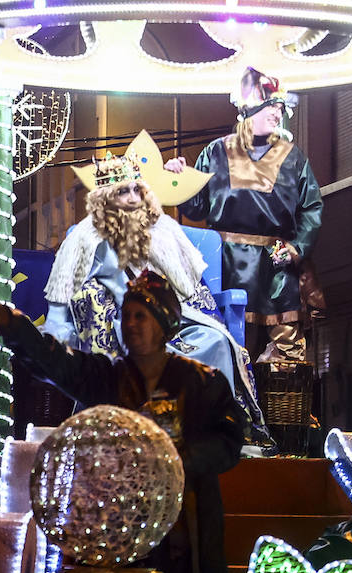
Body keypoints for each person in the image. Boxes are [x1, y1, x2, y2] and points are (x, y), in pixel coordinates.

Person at [0, 271, 244, 573]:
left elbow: (230, 438)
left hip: (189, 531)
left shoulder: (202, 381)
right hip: (124, 528)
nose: (131, 323)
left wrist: (174, 463)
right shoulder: (109, 377)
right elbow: (59, 364)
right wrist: (16, 328)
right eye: (126, 315)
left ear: (164, 321)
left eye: (141, 315)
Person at [45, 129, 263, 429]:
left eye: (138, 190)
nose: (134, 198)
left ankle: (210, 428)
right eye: (125, 192)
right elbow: (70, 293)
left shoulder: (164, 231)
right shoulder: (84, 237)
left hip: (173, 321)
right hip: (119, 324)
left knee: (215, 341)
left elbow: (191, 292)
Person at [174, 67, 324, 363]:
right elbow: (196, 207)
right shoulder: (215, 153)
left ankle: (278, 405)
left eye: (281, 108)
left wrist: (296, 249)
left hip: (275, 264)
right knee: (222, 340)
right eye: (273, 106)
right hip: (223, 262)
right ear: (252, 107)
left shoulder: (293, 157)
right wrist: (179, 181)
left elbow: (311, 207)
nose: (278, 114)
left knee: (286, 354)